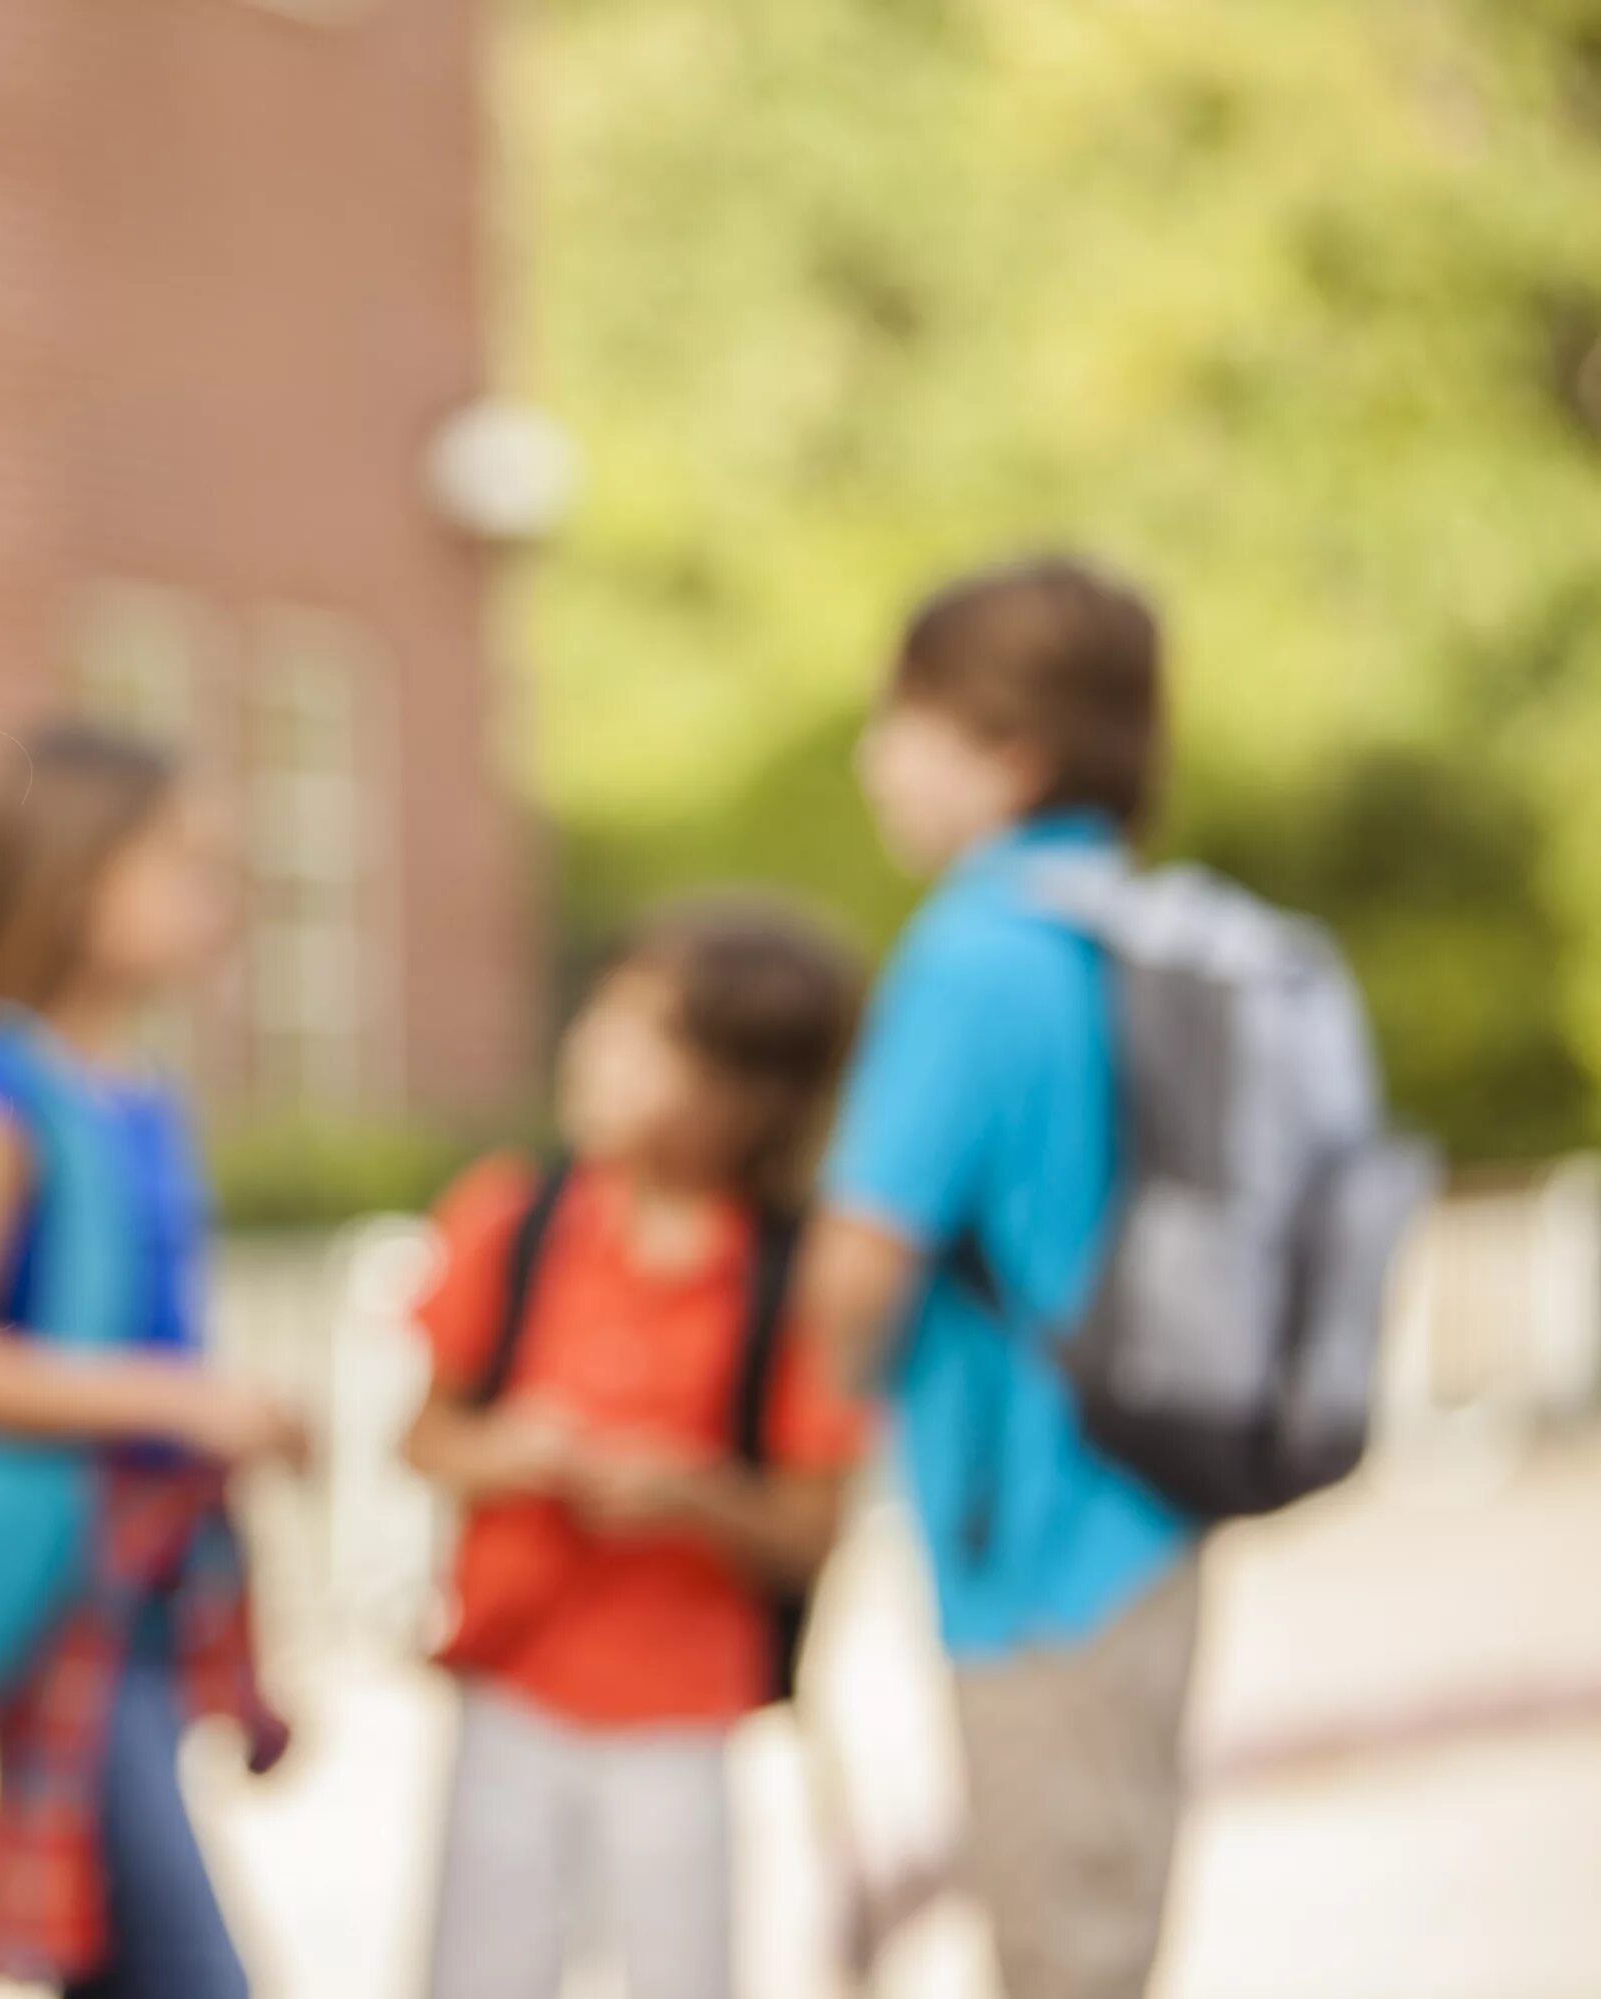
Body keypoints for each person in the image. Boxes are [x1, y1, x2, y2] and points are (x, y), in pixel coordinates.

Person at [795, 554, 1199, 1999]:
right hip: (1143, 1510)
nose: (873, 757)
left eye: (902, 722)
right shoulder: (1126, 923)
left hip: (1028, 1545)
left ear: (1010, 752)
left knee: (1056, 1957)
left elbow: (856, 1265)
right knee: (1100, 1928)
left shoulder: (977, 951)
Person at [404, 898, 868, 1999]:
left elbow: (813, 1532)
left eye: (642, 1035)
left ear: (747, 1093)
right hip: (511, 1682)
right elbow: (423, 1437)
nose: (591, 1050)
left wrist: (690, 1495)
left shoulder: (794, 1281)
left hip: (681, 1714)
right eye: (600, 1019)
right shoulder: (512, 1219)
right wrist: (506, 1451)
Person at [0, 725, 307, 1999]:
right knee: (186, 1967)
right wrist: (176, 1401)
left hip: (142, 1585)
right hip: (59, 1587)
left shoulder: (136, 1089)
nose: (216, 897)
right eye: (182, 864)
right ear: (78, 877)